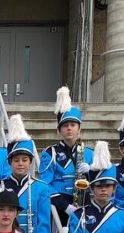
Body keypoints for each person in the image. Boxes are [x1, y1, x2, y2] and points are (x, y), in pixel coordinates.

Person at [39, 86, 94, 225]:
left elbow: (101, 183)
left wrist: (91, 172)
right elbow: (45, 185)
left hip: (84, 203)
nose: (69, 128)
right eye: (65, 125)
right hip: (59, 206)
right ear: (59, 130)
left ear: (79, 129)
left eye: (73, 125)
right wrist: (65, 206)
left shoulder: (89, 153)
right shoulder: (49, 153)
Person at [0, 115, 52, 233]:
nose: (20, 164)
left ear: (31, 162)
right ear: (9, 162)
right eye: (16, 160)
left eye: (25, 160)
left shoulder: (41, 187)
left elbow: (44, 221)